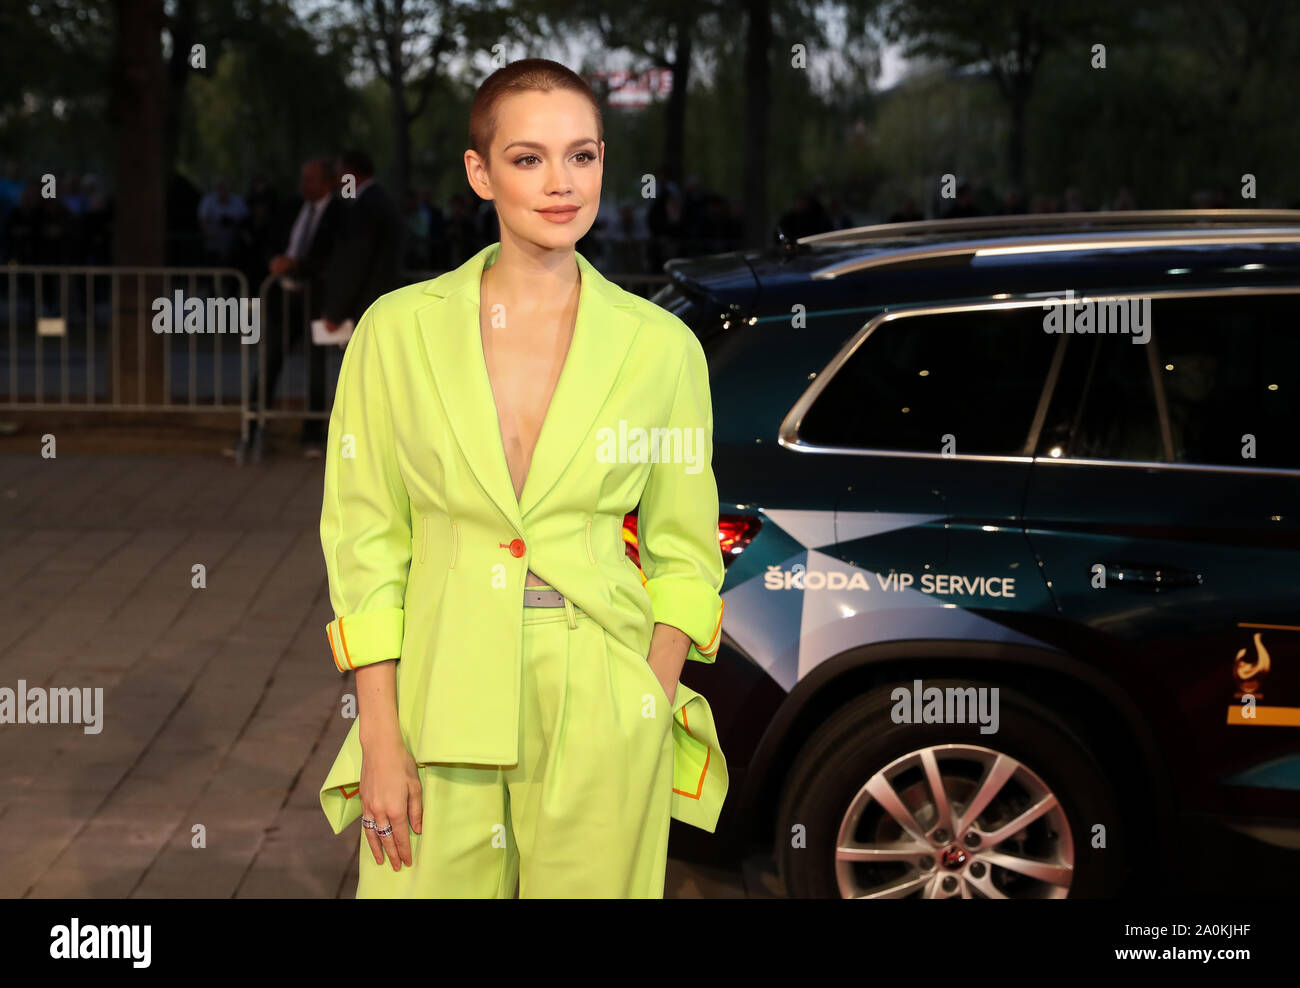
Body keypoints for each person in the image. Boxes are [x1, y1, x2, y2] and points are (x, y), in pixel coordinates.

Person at [316, 57, 728, 898]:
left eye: (582, 155)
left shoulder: (660, 347)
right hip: (439, 679)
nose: (561, 184)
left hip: (602, 691)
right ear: (480, 171)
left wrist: (647, 701)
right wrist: (381, 738)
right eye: (528, 157)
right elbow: (365, 546)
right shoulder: (396, 334)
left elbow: (686, 552)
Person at [236, 157, 343, 459]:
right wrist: (276, 260)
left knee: (316, 369)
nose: (303, 186)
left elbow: (333, 258)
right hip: (284, 300)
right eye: (302, 179)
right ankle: (253, 426)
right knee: (269, 360)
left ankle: (312, 434)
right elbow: (271, 239)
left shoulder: (339, 214)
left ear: (325, 182)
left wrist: (298, 265)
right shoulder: (291, 207)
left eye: (309, 180)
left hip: (318, 301)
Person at [320, 150, 402, 333]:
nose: (338, 179)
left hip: (367, 302)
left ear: (350, 173)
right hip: (380, 299)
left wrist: (335, 311)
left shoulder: (364, 207)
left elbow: (354, 261)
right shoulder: (379, 200)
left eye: (341, 173)